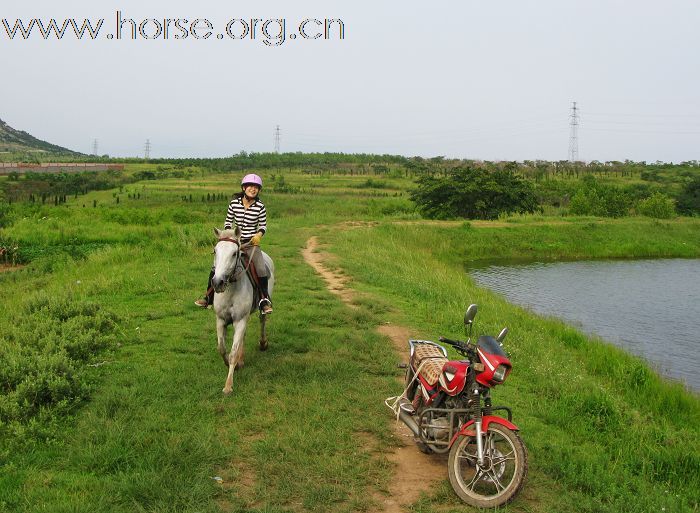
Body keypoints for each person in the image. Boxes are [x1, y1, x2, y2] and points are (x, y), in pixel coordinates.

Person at [195, 173, 273, 314]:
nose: (253, 189)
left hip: (250, 243)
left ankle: (263, 300)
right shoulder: (234, 204)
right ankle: (208, 297)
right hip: (233, 242)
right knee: (216, 267)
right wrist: (228, 237)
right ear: (244, 188)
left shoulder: (260, 206)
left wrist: (258, 235)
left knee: (261, 268)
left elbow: (263, 225)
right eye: (250, 186)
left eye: (256, 187)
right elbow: (228, 222)